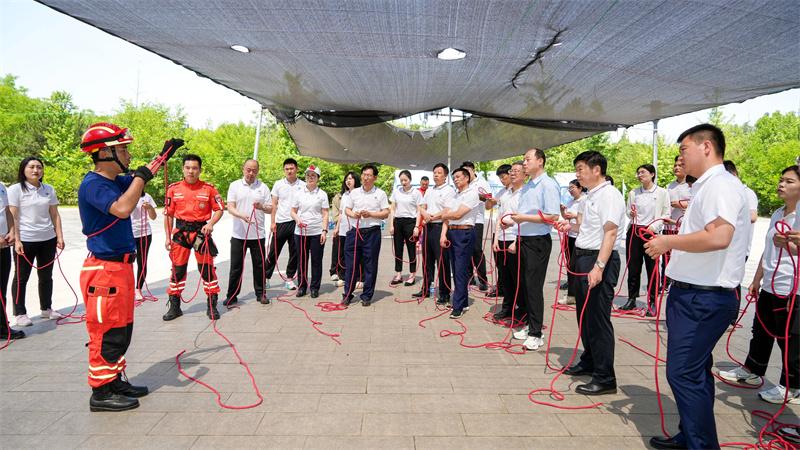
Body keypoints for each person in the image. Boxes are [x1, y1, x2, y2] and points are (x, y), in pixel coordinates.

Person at [645, 124, 751, 450]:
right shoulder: (706, 186)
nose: (681, 156)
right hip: (693, 294)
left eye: (683, 149)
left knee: (683, 374)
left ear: (706, 147)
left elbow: (720, 236)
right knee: (696, 373)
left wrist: (667, 242)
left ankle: (701, 444)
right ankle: (692, 435)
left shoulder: (720, 185)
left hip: (703, 297)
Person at [77, 121, 176, 411]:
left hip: (119, 269)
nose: (129, 155)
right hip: (103, 270)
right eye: (123, 149)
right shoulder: (93, 184)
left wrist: (161, 158)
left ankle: (114, 379)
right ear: (105, 153)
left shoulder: (114, 181)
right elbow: (122, 209)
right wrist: (142, 176)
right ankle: (101, 392)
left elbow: (139, 180)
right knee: (106, 331)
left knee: (121, 328)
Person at [718, 165, 799, 404]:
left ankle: (792, 386)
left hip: (793, 288)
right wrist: (756, 278)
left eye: (790, 181)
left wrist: (793, 245)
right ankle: (753, 371)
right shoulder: (777, 213)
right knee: (761, 330)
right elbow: (768, 248)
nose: (782, 185)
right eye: (781, 179)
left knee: (790, 339)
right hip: (771, 284)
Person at [562, 150, 625, 396]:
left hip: (599, 259)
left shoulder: (609, 195)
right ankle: (589, 360)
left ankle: (605, 377)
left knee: (598, 319)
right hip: (583, 256)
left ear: (596, 169)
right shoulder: (590, 196)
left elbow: (610, 233)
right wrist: (569, 225)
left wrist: (599, 267)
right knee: (584, 315)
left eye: (580, 169)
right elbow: (589, 226)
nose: (577, 174)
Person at [163, 154, 225, 321]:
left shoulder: (209, 189)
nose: (191, 171)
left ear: (200, 170)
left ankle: (212, 306)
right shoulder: (173, 189)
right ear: (183, 168)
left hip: (200, 234)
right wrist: (168, 237)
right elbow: (168, 215)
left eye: (195, 168)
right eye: (188, 167)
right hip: (180, 235)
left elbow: (220, 208)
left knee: (207, 270)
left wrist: (211, 223)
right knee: (177, 270)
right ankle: (175, 307)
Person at [510, 148, 561, 351]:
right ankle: (530, 324)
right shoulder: (529, 184)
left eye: (527, 159)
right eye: (524, 159)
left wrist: (523, 218)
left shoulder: (548, 185)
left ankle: (536, 333)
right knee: (524, 284)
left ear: (540, 161)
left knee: (533, 286)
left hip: (538, 241)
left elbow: (552, 216)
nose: (524, 163)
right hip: (524, 238)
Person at [8, 157, 65, 327]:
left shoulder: (48, 189)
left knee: (46, 276)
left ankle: (46, 308)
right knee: (21, 277)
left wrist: (59, 236)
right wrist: (17, 240)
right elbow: (13, 217)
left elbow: (55, 214)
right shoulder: (15, 190)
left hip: (47, 238)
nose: (35, 170)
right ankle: (20, 313)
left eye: (39, 167)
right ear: (23, 170)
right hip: (25, 240)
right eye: (31, 167)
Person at [620, 164, 670, 314]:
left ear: (652, 174)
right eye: (638, 173)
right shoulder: (633, 193)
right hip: (635, 231)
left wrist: (654, 227)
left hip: (651, 232)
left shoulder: (662, 192)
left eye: (643, 172)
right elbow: (628, 211)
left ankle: (652, 301)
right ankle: (632, 299)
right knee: (633, 267)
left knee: (652, 268)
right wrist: (631, 213)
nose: (639, 175)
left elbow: (666, 214)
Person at [341, 164, 389, 307]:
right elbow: (347, 210)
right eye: (364, 175)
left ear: (375, 177)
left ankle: (367, 295)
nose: (366, 178)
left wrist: (371, 214)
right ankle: (347, 294)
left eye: (369, 175)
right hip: (355, 232)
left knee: (370, 265)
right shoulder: (354, 193)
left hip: (372, 233)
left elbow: (386, 212)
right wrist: (354, 214)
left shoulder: (380, 194)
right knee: (351, 265)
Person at [225, 159, 271, 306]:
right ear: (243, 169)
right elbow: (230, 206)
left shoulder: (263, 187)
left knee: (259, 266)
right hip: (239, 234)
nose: (251, 173)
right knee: (236, 266)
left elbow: (271, 209)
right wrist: (240, 215)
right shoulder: (234, 185)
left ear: (258, 171)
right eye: (248, 170)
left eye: (254, 170)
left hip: (258, 234)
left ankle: (261, 293)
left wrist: (261, 206)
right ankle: (232, 295)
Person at [440, 167, 480, 319]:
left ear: (467, 178)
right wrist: (443, 235)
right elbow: (446, 216)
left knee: (460, 268)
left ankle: (459, 305)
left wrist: (447, 214)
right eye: (454, 177)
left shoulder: (472, 193)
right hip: (451, 232)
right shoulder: (455, 195)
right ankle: (461, 301)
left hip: (464, 232)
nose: (455, 179)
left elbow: (456, 214)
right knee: (455, 268)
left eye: (458, 177)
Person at [415, 163, 456, 303]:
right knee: (427, 260)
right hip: (428, 227)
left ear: (445, 175)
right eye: (434, 172)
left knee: (442, 261)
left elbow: (448, 210)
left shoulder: (449, 190)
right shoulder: (430, 190)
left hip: (440, 227)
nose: (436, 175)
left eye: (439, 172)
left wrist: (433, 217)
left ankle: (445, 293)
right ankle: (426, 288)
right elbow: (421, 206)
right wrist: (425, 214)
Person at [265, 158, 305, 290]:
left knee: (294, 252)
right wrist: (272, 222)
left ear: (296, 169)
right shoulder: (278, 184)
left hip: (296, 223)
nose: (289, 171)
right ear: (284, 170)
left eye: (291, 168)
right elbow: (274, 205)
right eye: (287, 169)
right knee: (273, 251)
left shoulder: (303, 185)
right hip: (281, 222)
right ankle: (265, 277)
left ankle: (289, 278)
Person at [291, 165, 329, 298]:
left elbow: (325, 214)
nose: (310, 178)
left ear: (318, 178)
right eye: (308, 175)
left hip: (317, 232)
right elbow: (293, 211)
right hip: (300, 232)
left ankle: (314, 287)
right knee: (302, 260)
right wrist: (297, 220)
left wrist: (324, 231)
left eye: (313, 175)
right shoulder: (298, 193)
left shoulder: (322, 194)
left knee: (316, 261)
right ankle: (302, 286)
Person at [492, 162, 524, 319]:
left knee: (516, 276)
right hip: (502, 239)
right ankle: (507, 307)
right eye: (511, 171)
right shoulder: (505, 194)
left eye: (515, 171)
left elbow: (524, 219)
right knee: (504, 276)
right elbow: (499, 217)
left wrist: (516, 241)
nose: (512, 174)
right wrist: (495, 239)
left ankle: (521, 308)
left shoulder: (525, 193)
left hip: (515, 238)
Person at [389, 170, 423, 286]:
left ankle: (412, 274)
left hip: (410, 222)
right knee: (398, 249)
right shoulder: (396, 192)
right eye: (401, 180)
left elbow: (419, 210)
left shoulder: (416, 193)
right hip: (398, 221)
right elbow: (392, 209)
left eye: (405, 180)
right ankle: (398, 274)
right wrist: (391, 224)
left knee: (411, 248)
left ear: (410, 180)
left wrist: (417, 226)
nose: (403, 182)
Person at [460, 161, 490, 291]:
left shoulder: (482, 183)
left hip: (477, 220)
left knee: (477, 250)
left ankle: (483, 279)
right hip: (464, 220)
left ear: (473, 170)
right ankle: (470, 277)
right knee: (466, 249)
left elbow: (488, 199)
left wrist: (477, 197)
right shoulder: (463, 184)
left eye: (468, 170)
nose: (466, 173)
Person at [0, 181, 23, 340]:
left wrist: (12, 231)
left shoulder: (1, 186)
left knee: (1, 288)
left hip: (3, 245)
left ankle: (2, 326)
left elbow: (7, 211)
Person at [559, 179, 587, 305]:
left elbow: (585, 218)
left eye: (573, 188)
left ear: (580, 188)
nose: (570, 190)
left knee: (578, 266)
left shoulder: (585, 200)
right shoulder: (571, 201)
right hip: (569, 234)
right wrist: (562, 211)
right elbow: (566, 217)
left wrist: (575, 215)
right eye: (569, 188)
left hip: (580, 236)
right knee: (570, 265)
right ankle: (572, 295)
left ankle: (578, 294)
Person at [487, 164, 511, 299]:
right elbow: (489, 206)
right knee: (500, 265)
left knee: (509, 268)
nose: (502, 180)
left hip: (513, 234)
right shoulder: (502, 192)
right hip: (500, 233)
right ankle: (501, 288)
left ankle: (507, 292)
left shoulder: (520, 191)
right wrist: (489, 200)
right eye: (500, 178)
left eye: (504, 177)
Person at [334, 172, 361, 287]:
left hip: (355, 229)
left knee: (357, 254)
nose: (348, 181)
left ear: (356, 180)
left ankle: (359, 278)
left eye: (351, 178)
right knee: (343, 254)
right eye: (346, 179)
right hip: (343, 229)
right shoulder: (344, 195)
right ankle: (343, 277)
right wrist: (337, 227)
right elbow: (340, 213)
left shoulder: (359, 193)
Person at [131, 191, 157, 301]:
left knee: (142, 262)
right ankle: (126, 288)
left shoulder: (147, 196)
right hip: (128, 234)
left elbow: (154, 217)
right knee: (126, 263)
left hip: (145, 234)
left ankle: (138, 289)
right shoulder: (124, 195)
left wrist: (150, 208)